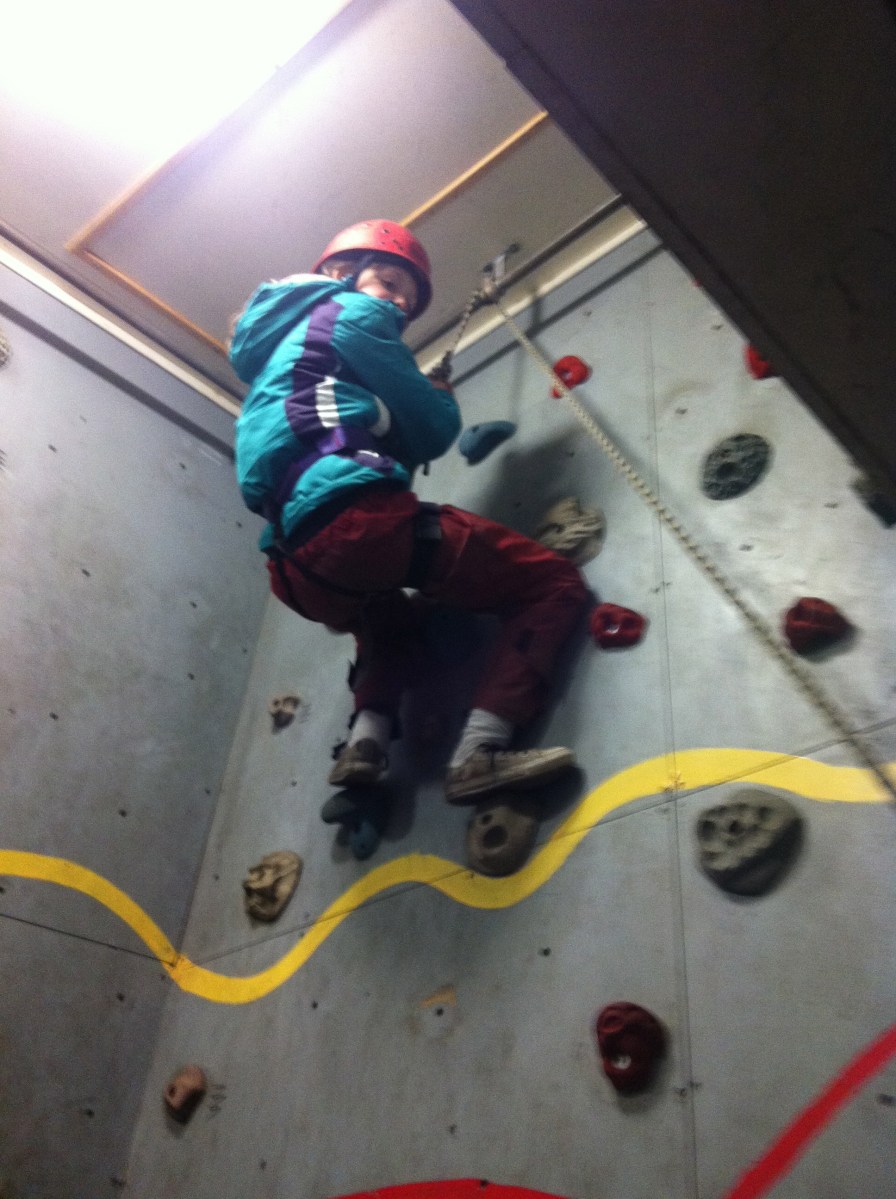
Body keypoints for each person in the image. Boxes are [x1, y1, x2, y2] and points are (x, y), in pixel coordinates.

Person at [229, 219, 589, 804]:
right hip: (358, 526)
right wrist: (437, 399)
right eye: (390, 282)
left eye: (407, 297)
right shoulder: (353, 313)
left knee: (387, 626)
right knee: (552, 584)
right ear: (342, 273)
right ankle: (479, 752)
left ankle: (365, 743)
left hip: (296, 569)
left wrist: (386, 421)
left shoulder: (276, 362)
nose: (398, 302)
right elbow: (434, 430)